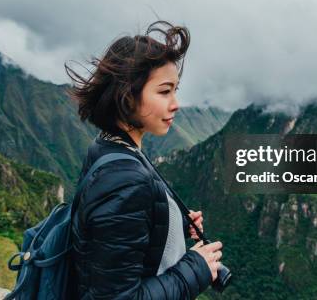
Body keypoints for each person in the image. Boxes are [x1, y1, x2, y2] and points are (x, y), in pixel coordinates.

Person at [64, 21, 223, 299]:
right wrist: (196, 268)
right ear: (127, 97)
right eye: (164, 91)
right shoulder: (125, 181)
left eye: (175, 90)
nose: (175, 103)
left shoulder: (109, 147)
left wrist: (172, 223)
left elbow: (118, 233)